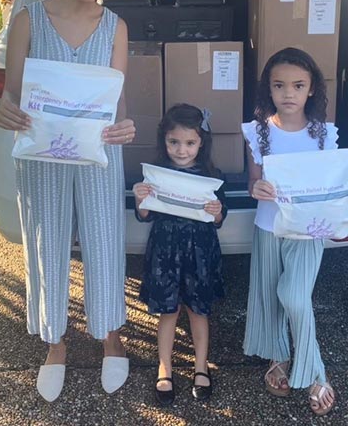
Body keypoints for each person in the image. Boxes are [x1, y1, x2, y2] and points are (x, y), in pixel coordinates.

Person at [0, 0, 136, 402]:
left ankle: (111, 337)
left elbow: (118, 106)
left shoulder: (116, 27)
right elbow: (11, 97)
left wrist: (126, 126)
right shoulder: (28, 19)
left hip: (97, 155)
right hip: (41, 157)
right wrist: (5, 112)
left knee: (104, 242)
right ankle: (55, 342)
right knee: (47, 244)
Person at [241, 47, 338, 417]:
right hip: (269, 227)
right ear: (269, 88)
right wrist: (257, 189)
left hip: (307, 232)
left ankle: (315, 372)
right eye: (279, 85)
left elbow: (329, 189)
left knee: (294, 297)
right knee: (269, 296)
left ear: (312, 88)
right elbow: (252, 181)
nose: (288, 93)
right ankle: (279, 356)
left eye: (298, 85)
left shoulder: (323, 135)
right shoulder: (259, 131)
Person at [133, 104, 228, 406]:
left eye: (190, 143)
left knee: (198, 311)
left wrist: (217, 212)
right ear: (164, 140)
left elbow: (219, 219)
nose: (182, 150)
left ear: (202, 142)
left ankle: (201, 366)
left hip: (200, 252)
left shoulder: (212, 176)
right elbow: (145, 215)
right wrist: (141, 198)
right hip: (165, 251)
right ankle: (165, 367)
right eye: (174, 142)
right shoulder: (156, 176)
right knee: (168, 311)